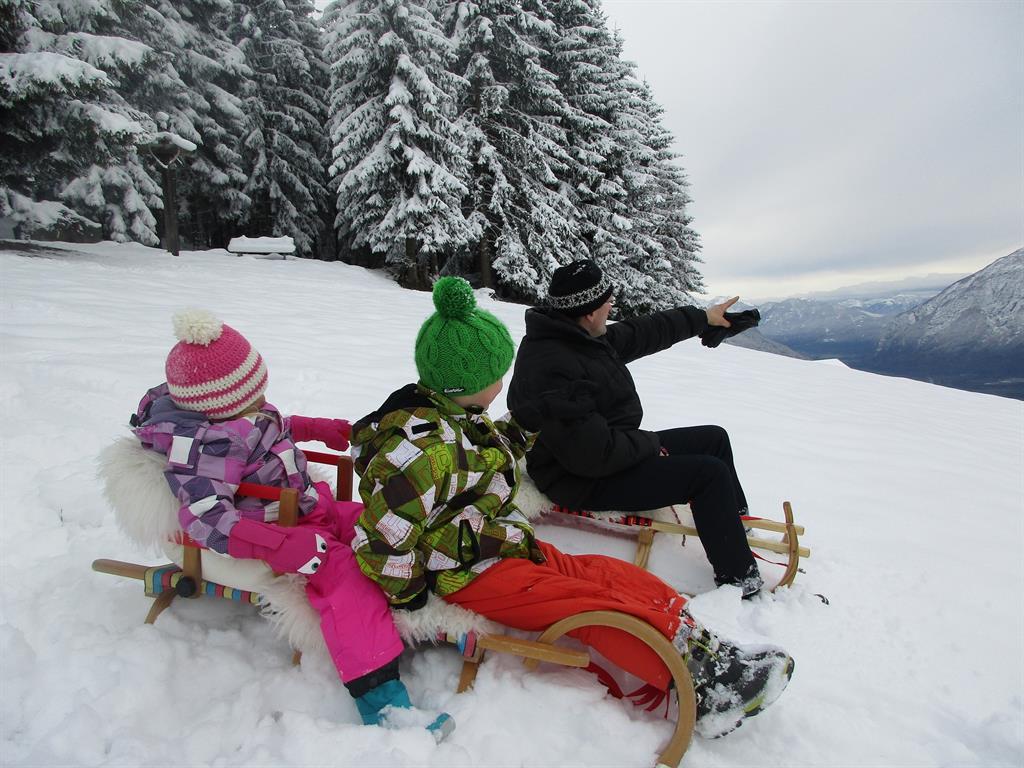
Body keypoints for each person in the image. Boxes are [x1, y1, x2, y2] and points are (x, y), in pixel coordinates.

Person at [351, 277, 793, 739]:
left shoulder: (457, 417)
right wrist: (411, 598)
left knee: (617, 576)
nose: (503, 383)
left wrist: (529, 421)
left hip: (499, 545)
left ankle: (703, 648)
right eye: (496, 376)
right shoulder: (418, 454)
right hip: (465, 573)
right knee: (594, 608)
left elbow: (482, 458)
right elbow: (383, 536)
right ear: (467, 384)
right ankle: (704, 690)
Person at [131, 309, 453, 740]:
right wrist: (280, 545)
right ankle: (383, 702)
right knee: (347, 579)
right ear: (223, 404)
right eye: (254, 395)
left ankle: (440, 583)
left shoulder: (242, 414)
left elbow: (274, 424)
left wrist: (326, 429)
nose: (263, 400)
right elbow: (208, 519)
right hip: (283, 533)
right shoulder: (206, 448)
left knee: (384, 523)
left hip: (310, 508)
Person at [505, 259, 764, 597]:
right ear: (589, 312)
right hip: (580, 479)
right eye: (608, 301)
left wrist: (704, 319)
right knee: (707, 475)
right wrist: (650, 445)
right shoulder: (553, 367)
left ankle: (735, 524)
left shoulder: (579, 336)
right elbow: (592, 456)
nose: (612, 306)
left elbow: (643, 332)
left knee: (714, 438)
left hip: (608, 449)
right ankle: (740, 579)